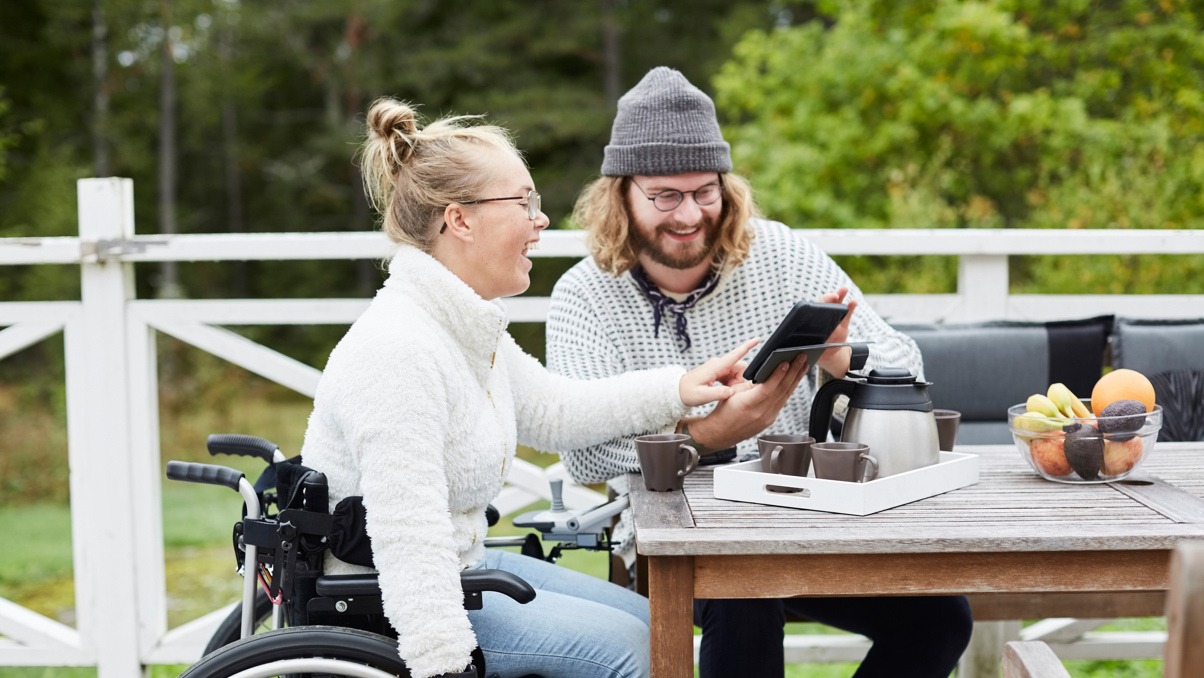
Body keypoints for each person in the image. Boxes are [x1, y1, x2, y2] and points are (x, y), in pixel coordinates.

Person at [300, 96, 760, 678]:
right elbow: (406, 532)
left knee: (657, 623)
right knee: (640, 649)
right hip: (388, 601)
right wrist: (445, 663)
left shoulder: (460, 323)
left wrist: (681, 387)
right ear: (459, 219)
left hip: (462, 564)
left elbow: (555, 411)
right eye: (523, 202)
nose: (540, 219)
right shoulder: (399, 349)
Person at [546, 67, 974, 678]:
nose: (689, 214)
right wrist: (707, 437)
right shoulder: (584, 296)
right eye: (665, 195)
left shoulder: (780, 253)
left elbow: (908, 365)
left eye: (705, 191)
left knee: (941, 621)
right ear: (621, 194)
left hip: (806, 515)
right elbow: (584, 456)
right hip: (674, 540)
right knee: (743, 593)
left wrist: (839, 360)